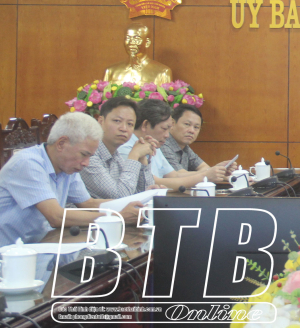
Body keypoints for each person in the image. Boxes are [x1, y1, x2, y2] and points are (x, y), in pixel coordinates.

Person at [0, 113, 142, 247]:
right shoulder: (28, 163)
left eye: (90, 156)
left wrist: (135, 206)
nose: (86, 163)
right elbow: (56, 217)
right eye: (84, 154)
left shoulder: (66, 165)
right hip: (9, 254)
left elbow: (88, 203)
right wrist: (116, 217)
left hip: (42, 245)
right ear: (61, 143)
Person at [117, 99, 228, 190]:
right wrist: (205, 176)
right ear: (145, 125)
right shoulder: (126, 148)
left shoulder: (154, 144)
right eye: (164, 129)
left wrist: (215, 171)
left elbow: (175, 175)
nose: (167, 135)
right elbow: (154, 182)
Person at [80, 97, 161, 199]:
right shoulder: (88, 155)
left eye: (130, 124)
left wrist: (142, 159)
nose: (124, 128)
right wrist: (134, 155)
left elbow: (138, 194)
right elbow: (120, 197)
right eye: (117, 121)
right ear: (100, 121)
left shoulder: (116, 156)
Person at [161, 104, 231, 173]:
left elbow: (203, 167)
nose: (192, 131)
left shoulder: (185, 147)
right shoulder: (163, 144)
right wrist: (211, 172)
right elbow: (180, 175)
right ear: (172, 123)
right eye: (187, 124)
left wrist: (218, 169)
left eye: (196, 127)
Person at [103, 23, 173, 86]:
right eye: (128, 38)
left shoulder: (162, 72)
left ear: (147, 43)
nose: (131, 42)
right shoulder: (111, 71)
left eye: (136, 39)